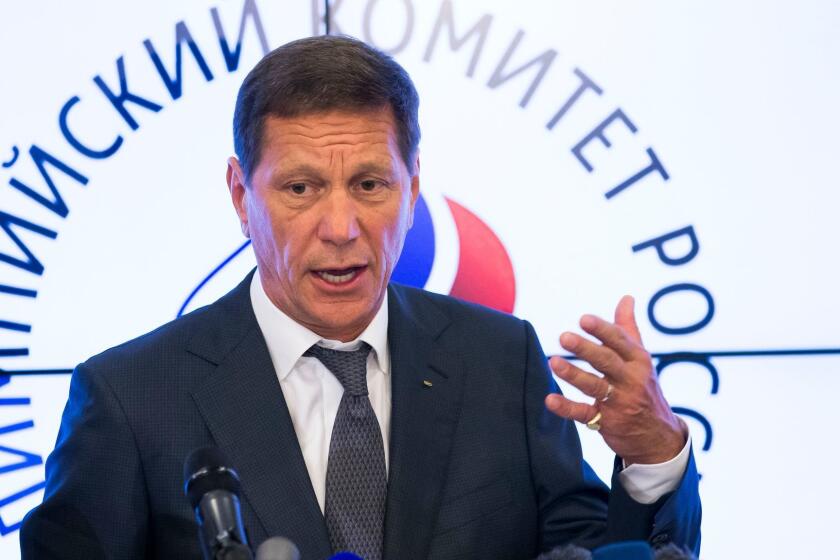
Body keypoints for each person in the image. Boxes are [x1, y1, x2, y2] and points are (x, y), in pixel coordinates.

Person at [20, 35, 700, 559]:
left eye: (371, 185)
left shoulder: (501, 361)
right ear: (240, 195)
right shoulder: (131, 398)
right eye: (301, 188)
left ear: (411, 189)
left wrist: (651, 456)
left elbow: (595, 548)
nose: (342, 229)